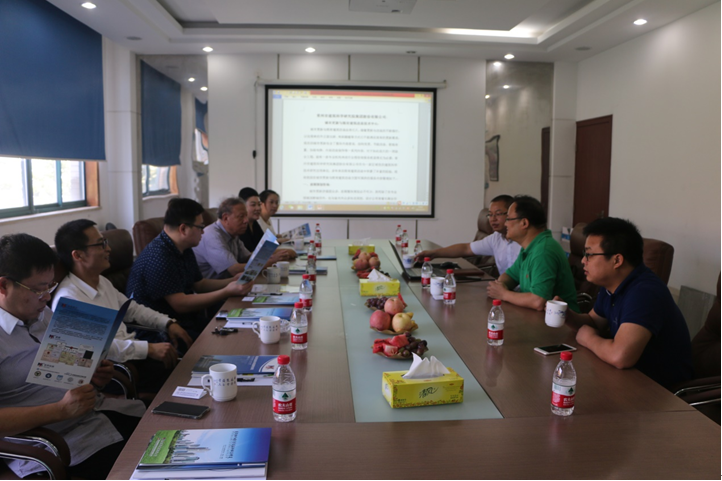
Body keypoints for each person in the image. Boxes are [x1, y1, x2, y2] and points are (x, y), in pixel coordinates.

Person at [0, 233, 145, 479]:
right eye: (38, 289)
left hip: (95, 416)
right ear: (3, 286)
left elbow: (62, 369)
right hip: (52, 445)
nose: (47, 297)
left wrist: (93, 375)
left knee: (168, 431)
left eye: (50, 286)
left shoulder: (42, 313)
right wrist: (59, 410)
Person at [53, 219, 194, 392]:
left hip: (133, 353)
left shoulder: (102, 282)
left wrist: (167, 323)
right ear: (78, 255)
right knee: (184, 378)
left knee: (190, 366)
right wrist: (148, 349)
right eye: (101, 244)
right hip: (113, 369)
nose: (108, 249)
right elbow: (98, 348)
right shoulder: (69, 299)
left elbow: (133, 309)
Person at [561, 217, 692, 388]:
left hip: (661, 390)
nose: (583, 261)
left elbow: (620, 356)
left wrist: (589, 339)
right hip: (626, 378)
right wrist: (567, 316)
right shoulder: (611, 284)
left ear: (617, 260)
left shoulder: (645, 292)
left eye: (589, 254)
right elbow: (594, 321)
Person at [126, 198, 254, 337]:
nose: (203, 232)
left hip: (185, 320)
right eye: (200, 227)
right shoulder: (159, 255)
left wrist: (232, 281)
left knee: (240, 329)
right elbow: (180, 304)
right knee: (229, 338)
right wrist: (226, 291)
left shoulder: (184, 248)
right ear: (183, 229)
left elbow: (199, 284)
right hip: (159, 331)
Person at [487, 195, 579, 312]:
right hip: (534, 315)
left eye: (508, 219)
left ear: (524, 223)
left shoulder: (543, 252)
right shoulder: (529, 247)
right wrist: (501, 285)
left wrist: (504, 294)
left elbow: (538, 301)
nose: (505, 224)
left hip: (560, 320)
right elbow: (510, 276)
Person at [414, 195, 520, 275]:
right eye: (490, 214)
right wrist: (434, 253)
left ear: (511, 214)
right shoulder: (496, 238)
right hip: (506, 291)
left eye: (498, 214)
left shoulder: (523, 241)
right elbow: (466, 248)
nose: (493, 219)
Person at [194, 197, 291, 279]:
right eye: (241, 217)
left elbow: (248, 258)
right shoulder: (212, 236)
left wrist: (274, 256)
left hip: (232, 284)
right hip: (216, 290)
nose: (246, 221)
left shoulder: (233, 233)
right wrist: (271, 261)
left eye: (246, 216)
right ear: (225, 218)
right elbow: (234, 270)